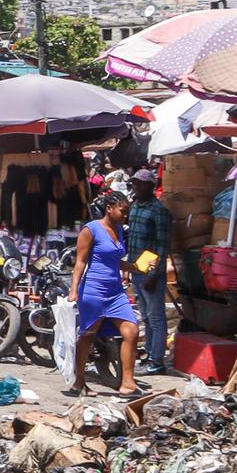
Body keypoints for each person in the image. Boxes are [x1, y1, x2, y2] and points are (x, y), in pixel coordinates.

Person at [67, 191, 141, 397]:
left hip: (115, 291)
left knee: (131, 332)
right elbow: (80, 262)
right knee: (88, 336)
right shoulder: (91, 230)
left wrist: (136, 267)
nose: (125, 216)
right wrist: (74, 290)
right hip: (94, 290)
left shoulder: (118, 230)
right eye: (122, 211)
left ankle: (128, 383)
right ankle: (79, 381)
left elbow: (115, 261)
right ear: (109, 208)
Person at [124, 169, 175, 375]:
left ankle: (157, 360)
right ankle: (149, 354)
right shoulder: (135, 206)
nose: (136, 187)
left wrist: (153, 275)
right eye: (134, 184)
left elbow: (162, 247)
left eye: (140, 184)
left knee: (156, 317)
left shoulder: (158, 211)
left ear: (151, 187)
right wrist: (128, 268)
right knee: (145, 315)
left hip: (151, 272)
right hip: (137, 268)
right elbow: (132, 242)